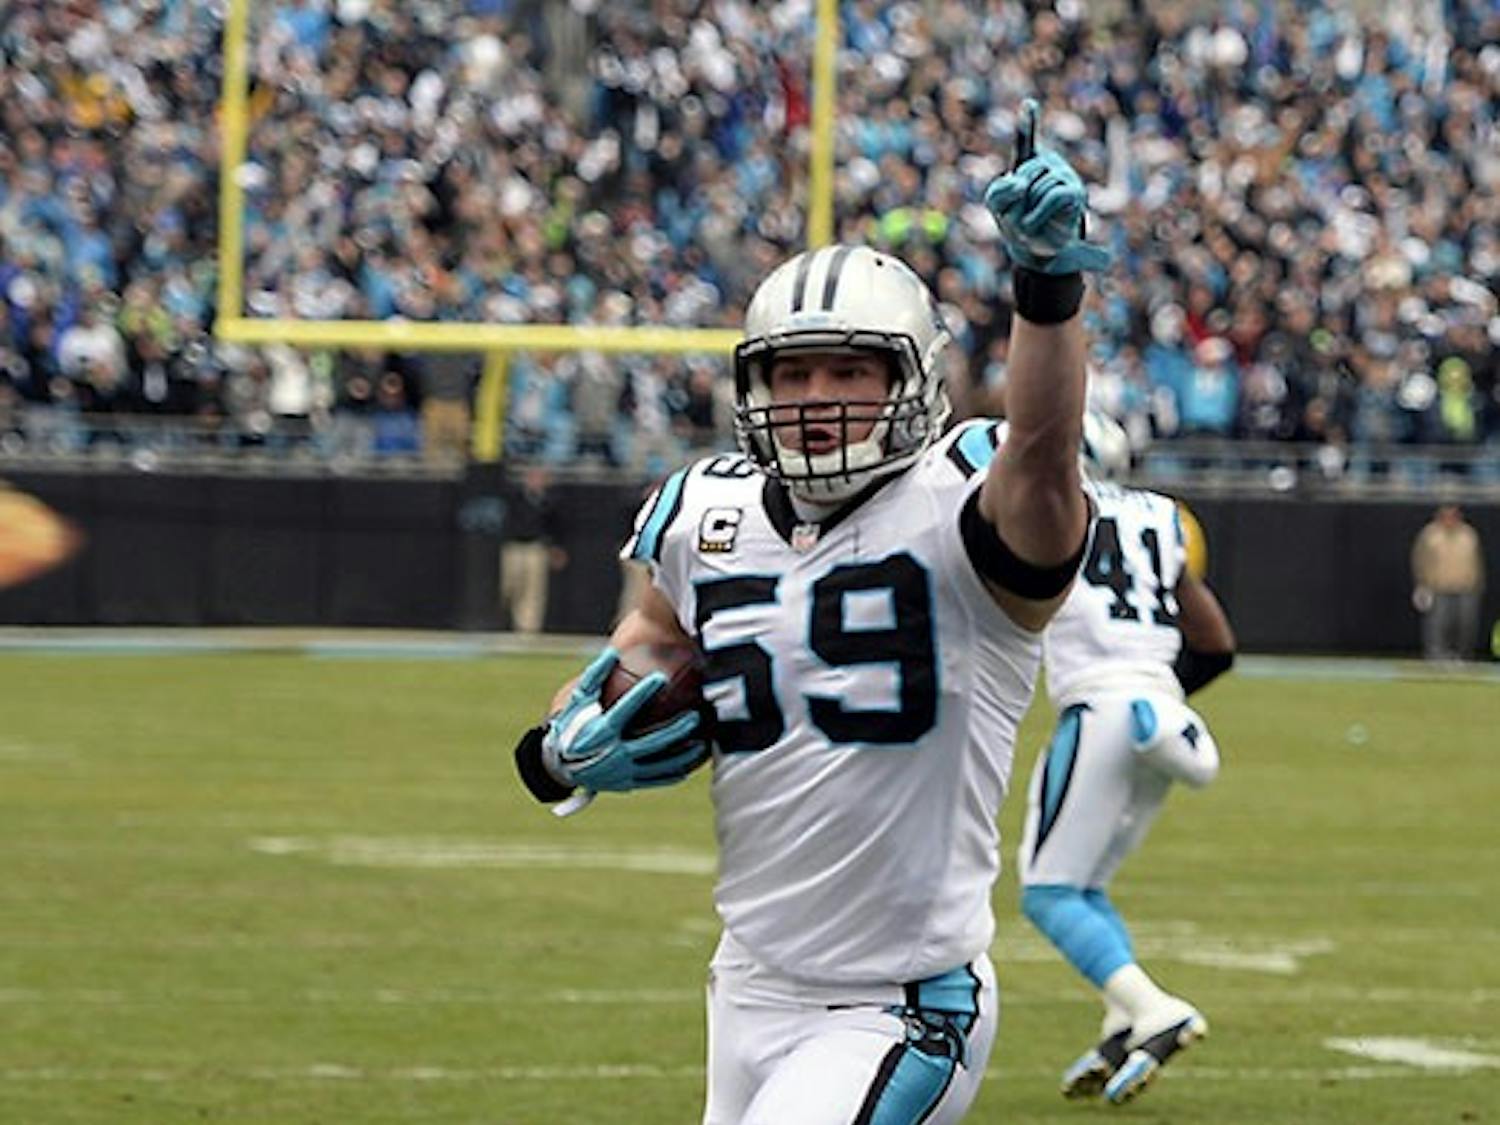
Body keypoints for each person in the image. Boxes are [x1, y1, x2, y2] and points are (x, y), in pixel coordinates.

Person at [512, 102, 1110, 1123]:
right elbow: (644, 648)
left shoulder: (959, 499)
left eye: (850, 371)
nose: (816, 398)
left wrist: (1047, 295)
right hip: (746, 980)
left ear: (911, 380)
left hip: (898, 999)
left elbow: (1045, 460)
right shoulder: (704, 509)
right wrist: (565, 740)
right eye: (792, 373)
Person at [1015, 430, 1235, 1105]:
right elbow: (1216, 645)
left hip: (1100, 708)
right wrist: (1150, 690)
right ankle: (1121, 1023)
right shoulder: (1165, 517)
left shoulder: (1057, 509)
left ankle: (1155, 1008)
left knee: (1048, 892)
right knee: (1088, 885)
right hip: (1159, 712)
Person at [1411, 504, 1485, 662]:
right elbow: (1419, 559)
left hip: (1466, 589)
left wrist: (1478, 584)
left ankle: (1463, 658)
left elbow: (1477, 561)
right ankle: (1435, 658)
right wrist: (1421, 584)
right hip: (1438, 588)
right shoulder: (1429, 535)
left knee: (1466, 625)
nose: (1450, 519)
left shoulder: (1469, 535)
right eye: (1446, 516)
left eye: (1453, 516)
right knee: (1437, 626)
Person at [499, 465, 566, 635]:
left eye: (540, 478)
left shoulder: (549, 502)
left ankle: (528, 628)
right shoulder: (515, 498)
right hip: (515, 547)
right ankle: (507, 619)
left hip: (536, 548)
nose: (536, 482)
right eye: (533, 478)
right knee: (511, 586)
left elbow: (555, 528)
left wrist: (555, 549)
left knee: (534, 589)